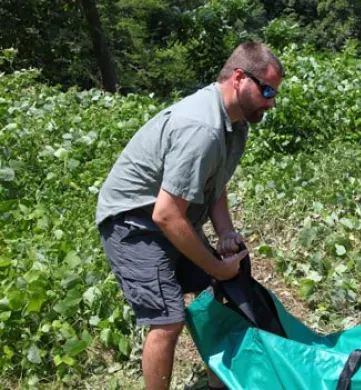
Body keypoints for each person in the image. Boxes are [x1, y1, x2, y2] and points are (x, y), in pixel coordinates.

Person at [95, 41, 284, 390]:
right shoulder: (203, 127)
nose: (271, 103)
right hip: (133, 222)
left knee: (219, 291)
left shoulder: (235, 122)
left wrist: (225, 232)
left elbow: (215, 182)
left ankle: (221, 383)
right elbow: (166, 215)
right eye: (268, 90)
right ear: (240, 78)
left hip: (166, 215)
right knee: (168, 320)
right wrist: (215, 265)